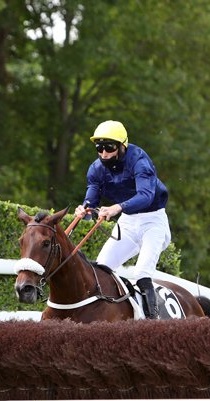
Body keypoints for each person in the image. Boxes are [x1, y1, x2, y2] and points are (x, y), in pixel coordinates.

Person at [74, 120, 171, 319]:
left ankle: (152, 324)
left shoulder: (139, 161)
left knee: (142, 273)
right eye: (99, 148)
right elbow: (91, 201)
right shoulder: (95, 169)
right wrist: (85, 210)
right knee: (101, 269)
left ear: (121, 146)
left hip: (153, 221)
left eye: (109, 147)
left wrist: (117, 207)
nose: (103, 153)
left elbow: (146, 196)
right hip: (127, 223)